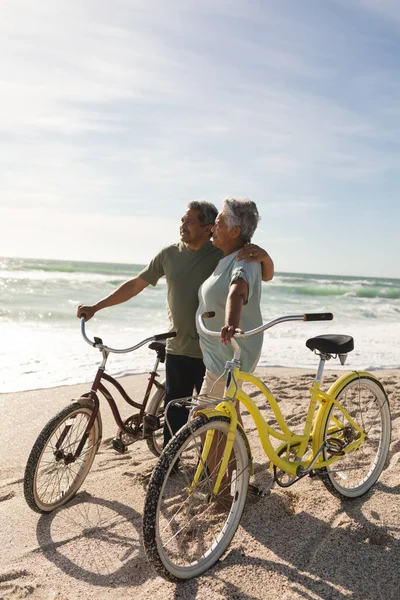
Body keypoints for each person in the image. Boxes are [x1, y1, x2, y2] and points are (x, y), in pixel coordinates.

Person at [77, 200, 274, 445]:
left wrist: (266, 258)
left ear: (208, 227)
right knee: (176, 414)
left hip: (211, 349)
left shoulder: (221, 253)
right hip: (178, 346)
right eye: (182, 220)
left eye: (190, 221)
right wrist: (97, 307)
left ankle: (225, 468)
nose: (183, 226)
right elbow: (136, 284)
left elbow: (254, 277)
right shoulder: (169, 254)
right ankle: (174, 468)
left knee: (219, 415)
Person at [196, 197, 264, 411]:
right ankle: (238, 446)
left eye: (219, 223)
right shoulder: (228, 258)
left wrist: (231, 324)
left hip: (228, 357)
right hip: (218, 355)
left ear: (234, 232)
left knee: (204, 417)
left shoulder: (244, 259)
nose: (213, 228)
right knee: (225, 417)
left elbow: (237, 291)